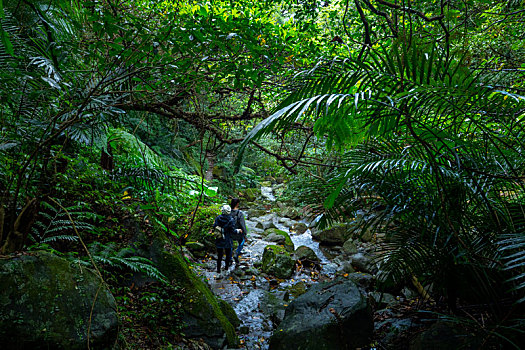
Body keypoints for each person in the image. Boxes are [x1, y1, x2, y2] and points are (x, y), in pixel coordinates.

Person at [211, 204, 236, 275]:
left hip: (219, 238)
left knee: (219, 255)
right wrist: (238, 231)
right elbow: (233, 231)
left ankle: (218, 270)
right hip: (228, 240)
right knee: (228, 255)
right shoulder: (231, 220)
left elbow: (214, 226)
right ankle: (226, 268)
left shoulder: (218, 218)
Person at [230, 198, 247, 265]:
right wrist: (245, 233)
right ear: (237, 204)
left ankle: (230, 258)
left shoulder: (229, 212)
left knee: (230, 244)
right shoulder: (239, 213)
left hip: (230, 232)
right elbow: (242, 224)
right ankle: (236, 254)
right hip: (238, 232)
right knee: (242, 241)